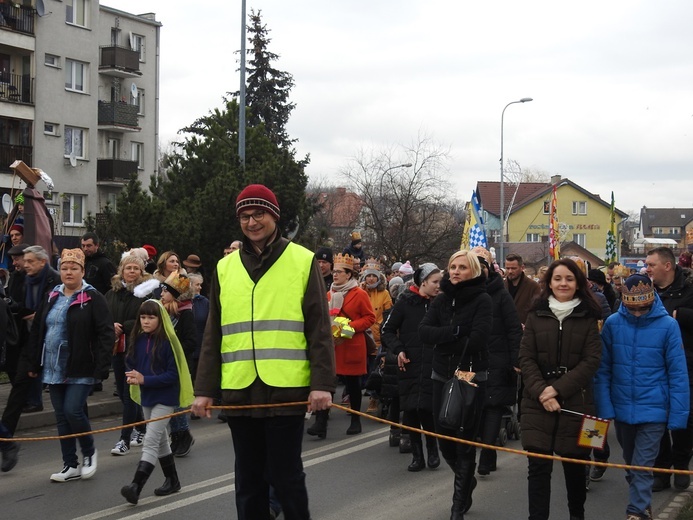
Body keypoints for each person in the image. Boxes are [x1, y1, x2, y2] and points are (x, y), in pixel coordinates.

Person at [191, 184, 335, 520]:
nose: (252, 222)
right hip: (240, 389)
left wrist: (322, 384)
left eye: (259, 214)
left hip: (286, 389)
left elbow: (319, 328)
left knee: (286, 477)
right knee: (248, 480)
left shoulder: (302, 260)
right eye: (245, 216)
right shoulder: (225, 268)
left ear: (274, 216)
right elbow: (214, 333)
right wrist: (204, 391)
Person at [595, 274, 689, 520]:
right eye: (632, 308)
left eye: (643, 308)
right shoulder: (614, 324)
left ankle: (637, 511)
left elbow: (678, 373)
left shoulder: (668, 325)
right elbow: (603, 370)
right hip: (622, 406)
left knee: (643, 463)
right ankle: (641, 501)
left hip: (654, 408)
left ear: (651, 301)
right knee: (630, 462)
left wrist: (678, 416)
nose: (638, 313)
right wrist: (604, 408)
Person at [519, 258, 603, 520]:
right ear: (549, 282)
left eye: (569, 278)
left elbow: (592, 361)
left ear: (578, 283)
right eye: (558, 278)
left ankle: (577, 516)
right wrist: (542, 391)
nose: (563, 283)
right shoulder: (535, 313)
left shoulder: (590, 315)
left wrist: (556, 391)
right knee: (538, 468)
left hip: (578, 401)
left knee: (576, 469)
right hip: (537, 402)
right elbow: (526, 357)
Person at [26, 248, 115, 482]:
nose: (68, 272)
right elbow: (38, 330)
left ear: (82, 271)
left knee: (73, 410)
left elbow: (106, 333)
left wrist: (102, 366)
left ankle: (89, 453)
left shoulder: (93, 297)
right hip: (54, 367)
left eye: (73, 268)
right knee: (61, 416)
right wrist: (33, 361)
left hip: (81, 365)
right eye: (64, 268)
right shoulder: (52, 295)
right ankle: (70, 465)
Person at [419, 250, 493, 519]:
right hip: (441, 374)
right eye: (452, 266)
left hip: (470, 376)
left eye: (462, 267)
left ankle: (457, 504)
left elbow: (478, 339)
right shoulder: (441, 300)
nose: (455, 271)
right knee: (444, 436)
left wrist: (446, 338)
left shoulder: (482, 300)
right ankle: (466, 481)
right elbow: (425, 333)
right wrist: (455, 332)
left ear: (472, 271)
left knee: (464, 438)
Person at [120, 299, 194, 505]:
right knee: (160, 439)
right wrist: (132, 374)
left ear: (160, 319)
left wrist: (145, 379)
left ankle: (135, 486)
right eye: (143, 317)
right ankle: (173, 480)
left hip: (165, 398)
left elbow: (173, 375)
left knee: (150, 441)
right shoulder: (138, 339)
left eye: (151, 317)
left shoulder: (168, 342)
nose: (146, 321)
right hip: (148, 397)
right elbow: (131, 361)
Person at [381, 262, 442, 472]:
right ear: (423, 282)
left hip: (435, 364)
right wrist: (398, 349)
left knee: (429, 410)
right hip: (409, 363)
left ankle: (433, 451)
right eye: (435, 282)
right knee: (412, 411)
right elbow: (387, 330)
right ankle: (417, 456)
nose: (438, 286)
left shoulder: (441, 303)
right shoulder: (404, 302)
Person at [308, 253, 375, 438]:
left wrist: (347, 328)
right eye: (335, 272)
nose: (335, 275)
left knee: (353, 385)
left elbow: (370, 318)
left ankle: (355, 420)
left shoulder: (359, 294)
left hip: (352, 344)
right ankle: (321, 422)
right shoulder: (329, 293)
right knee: (327, 382)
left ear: (349, 275)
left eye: (339, 272)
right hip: (333, 346)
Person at [472, 246, 522, 476]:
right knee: (475, 407)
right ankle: (486, 453)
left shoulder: (501, 295)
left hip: (496, 359)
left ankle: (486, 456)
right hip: (469, 361)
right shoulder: (460, 293)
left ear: (488, 269)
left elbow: (513, 329)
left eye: (481, 267)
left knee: (492, 406)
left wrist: (515, 360)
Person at [646, 246, 693, 491]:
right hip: (654, 367)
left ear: (667, 266)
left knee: (684, 418)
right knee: (657, 421)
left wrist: (680, 314)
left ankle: (682, 463)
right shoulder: (646, 292)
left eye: (651, 264)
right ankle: (661, 470)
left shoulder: (689, 290)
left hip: (686, 365)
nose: (647, 269)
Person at [106, 252, 153, 456]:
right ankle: (142, 427)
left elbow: (148, 319)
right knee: (125, 395)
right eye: (128, 268)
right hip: (117, 348)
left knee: (129, 392)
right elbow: (103, 315)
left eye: (135, 268)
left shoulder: (146, 293)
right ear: (121, 271)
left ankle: (124, 440)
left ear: (141, 271)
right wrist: (110, 326)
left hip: (137, 348)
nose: (131, 271)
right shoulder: (111, 294)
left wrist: (124, 326)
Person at [160, 270, 196, 457]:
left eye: (165, 290)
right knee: (170, 402)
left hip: (179, 364)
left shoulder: (185, 313)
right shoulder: (164, 311)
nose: (161, 294)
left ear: (175, 294)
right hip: (165, 364)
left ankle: (184, 434)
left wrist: (173, 350)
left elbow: (191, 341)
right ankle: (176, 436)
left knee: (177, 402)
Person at [360, 257, 392, 413]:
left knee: (376, 369)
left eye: (373, 276)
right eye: (368, 276)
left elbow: (388, 314)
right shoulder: (360, 291)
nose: (371, 278)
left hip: (378, 337)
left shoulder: (384, 293)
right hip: (362, 335)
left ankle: (373, 399)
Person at [504, 253, 541, 324]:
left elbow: (537, 311)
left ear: (522, 267)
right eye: (507, 268)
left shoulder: (533, 286)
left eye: (514, 268)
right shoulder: (502, 285)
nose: (510, 271)